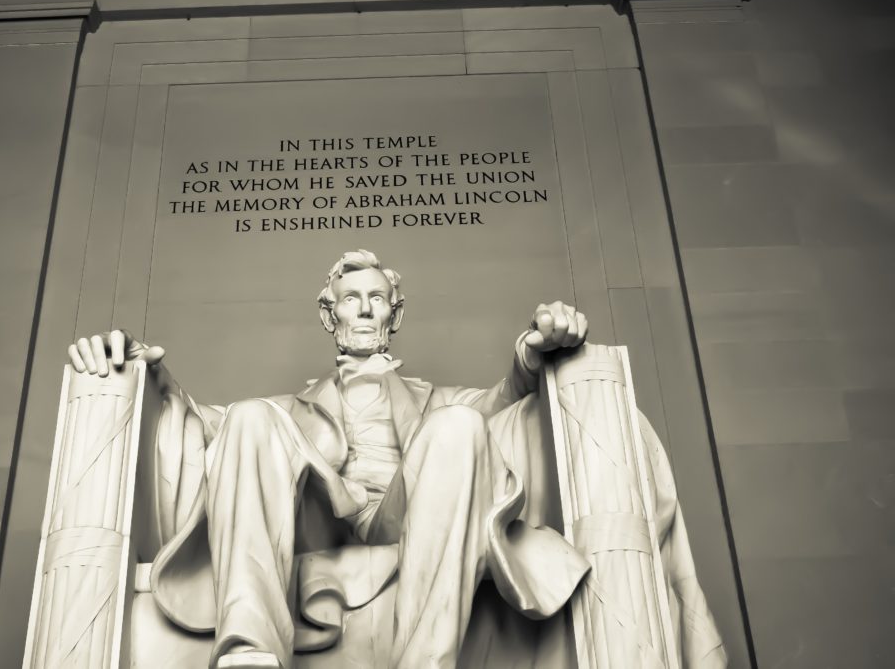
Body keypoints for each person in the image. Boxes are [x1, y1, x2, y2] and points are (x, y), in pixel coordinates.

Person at [69, 250, 724, 669]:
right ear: (328, 313)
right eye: (349, 298)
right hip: (319, 516)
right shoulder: (285, 411)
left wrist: (532, 354)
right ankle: (250, 654)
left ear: (395, 313)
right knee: (247, 418)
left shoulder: (440, 402)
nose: (363, 307)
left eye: (376, 297)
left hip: (414, 512)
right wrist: (142, 371)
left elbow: (504, 406)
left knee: (460, 427)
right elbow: (202, 428)